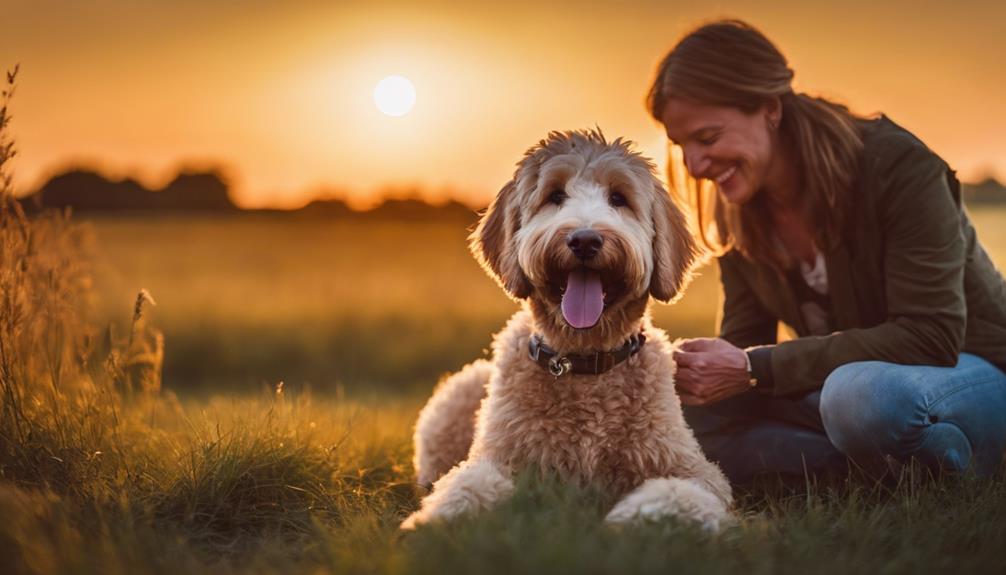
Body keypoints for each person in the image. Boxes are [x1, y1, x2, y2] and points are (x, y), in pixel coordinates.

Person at [646, 19, 1006, 483]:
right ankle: (881, 474)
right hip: (838, 392)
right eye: (682, 146)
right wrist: (699, 374)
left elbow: (930, 336)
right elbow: (744, 344)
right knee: (683, 411)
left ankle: (928, 461)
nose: (695, 166)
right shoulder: (740, 209)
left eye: (708, 138)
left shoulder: (897, 168)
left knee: (858, 397)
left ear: (770, 108)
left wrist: (757, 368)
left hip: (962, 373)